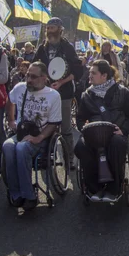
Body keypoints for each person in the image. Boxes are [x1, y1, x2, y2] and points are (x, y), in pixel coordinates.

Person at [75, 60, 129, 201]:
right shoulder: (87, 95)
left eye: (93, 73)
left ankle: (114, 188)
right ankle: (93, 188)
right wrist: (83, 127)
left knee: (116, 143)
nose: (89, 75)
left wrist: (123, 130)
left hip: (115, 132)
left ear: (104, 75)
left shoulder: (122, 92)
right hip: (92, 133)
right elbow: (79, 118)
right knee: (81, 146)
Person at [4, 62, 62, 210]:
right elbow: (10, 101)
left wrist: (39, 137)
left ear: (44, 78)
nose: (29, 79)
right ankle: (16, 194)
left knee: (22, 148)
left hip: (40, 137)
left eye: (33, 77)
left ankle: (29, 196)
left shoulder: (53, 96)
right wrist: (11, 120)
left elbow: (53, 123)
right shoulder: (20, 88)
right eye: (28, 75)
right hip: (21, 132)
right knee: (7, 146)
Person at [33, 17, 82, 168]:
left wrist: (61, 82)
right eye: (48, 28)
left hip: (64, 93)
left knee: (66, 128)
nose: (49, 31)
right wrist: (42, 79)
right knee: (46, 126)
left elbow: (78, 70)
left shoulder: (67, 47)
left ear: (60, 30)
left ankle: (69, 158)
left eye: (52, 28)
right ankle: (46, 156)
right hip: (46, 92)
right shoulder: (42, 48)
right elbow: (35, 66)